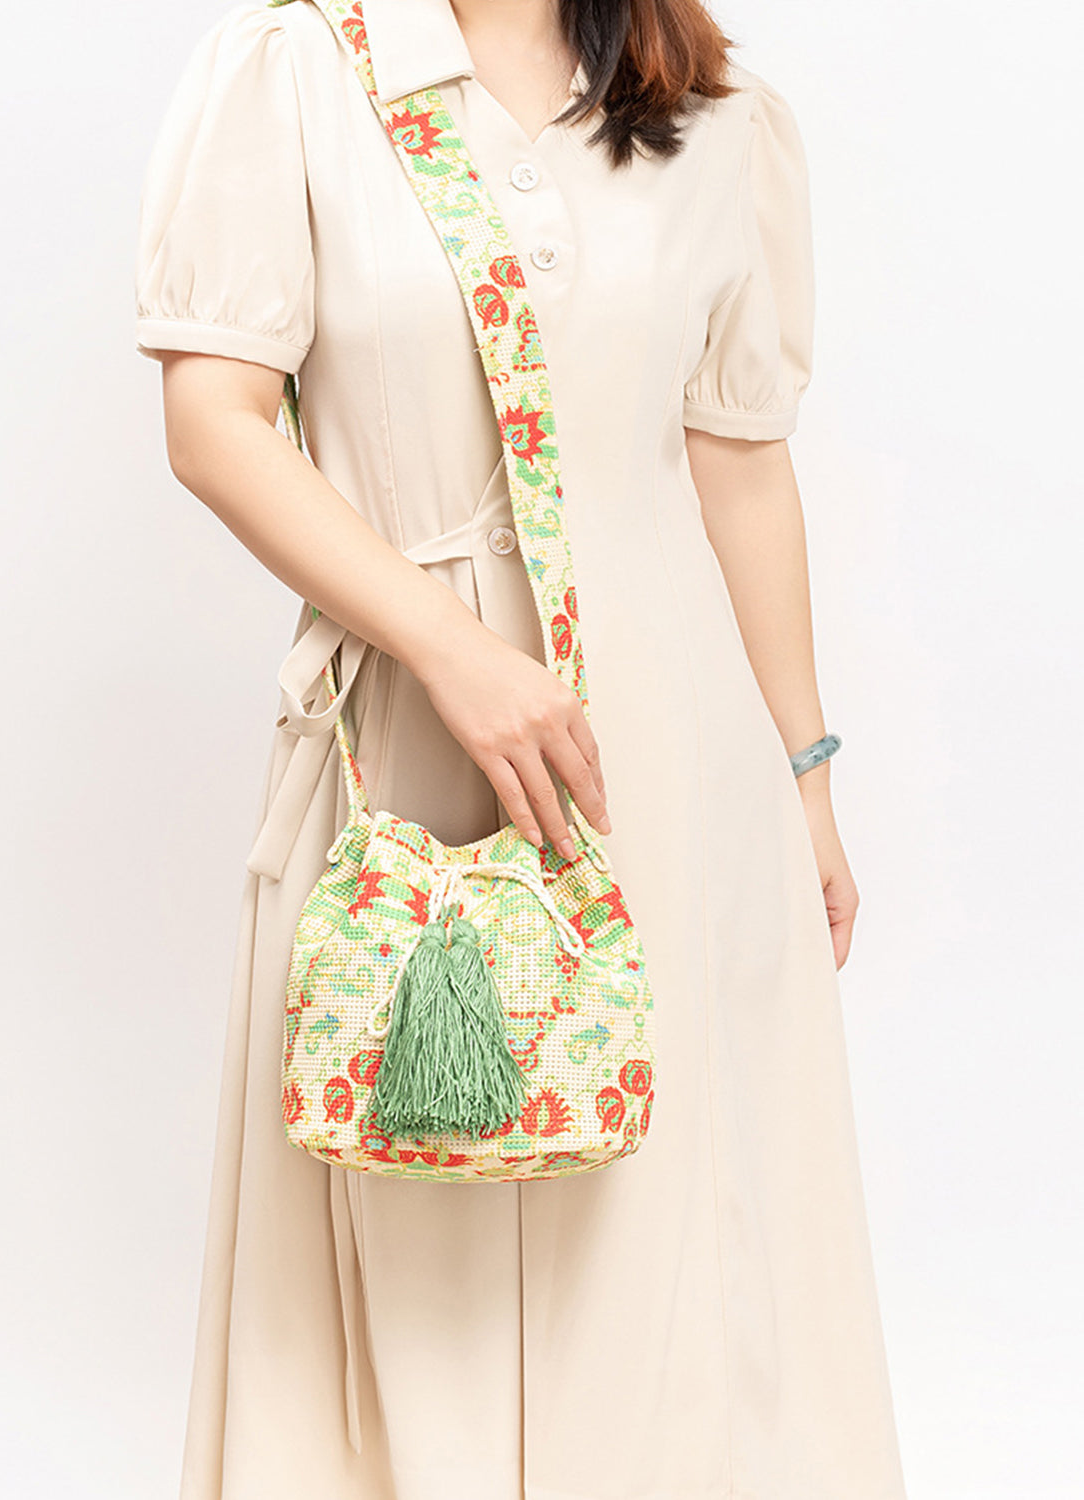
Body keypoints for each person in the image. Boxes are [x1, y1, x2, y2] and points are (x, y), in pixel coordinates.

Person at [133, 1, 908, 1497]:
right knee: (418, 1207)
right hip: (417, 742)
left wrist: (804, 777)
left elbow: (741, 467)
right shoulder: (299, 71)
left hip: (676, 764)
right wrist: (450, 651)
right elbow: (213, 422)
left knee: (674, 1230)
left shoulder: (713, 112)